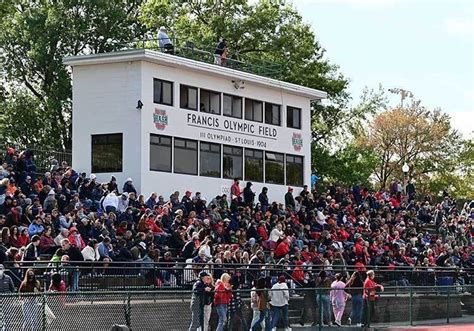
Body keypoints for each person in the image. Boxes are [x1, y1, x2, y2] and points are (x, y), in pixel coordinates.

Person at [0, 264, 15, 330]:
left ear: (3, 269)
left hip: (7, 300)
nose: (0, 270)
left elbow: (13, 289)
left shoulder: (8, 277)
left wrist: (12, 298)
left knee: (7, 317)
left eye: (1, 268)